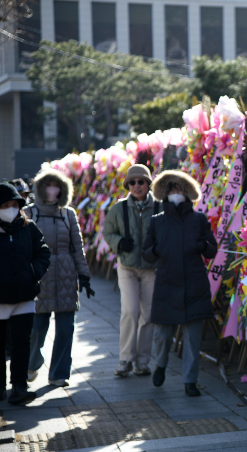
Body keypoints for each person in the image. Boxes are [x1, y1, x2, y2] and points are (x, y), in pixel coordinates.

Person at [142, 170, 217, 397]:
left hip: (194, 284)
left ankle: (190, 381)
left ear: (187, 193)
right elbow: (146, 253)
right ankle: (161, 365)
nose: (177, 193)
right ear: (165, 194)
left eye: (180, 190)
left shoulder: (199, 219)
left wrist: (202, 246)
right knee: (162, 336)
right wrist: (156, 249)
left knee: (192, 339)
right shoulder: (157, 221)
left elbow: (212, 249)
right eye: (173, 190)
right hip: (166, 284)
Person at [25, 169, 94, 387]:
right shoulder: (29, 213)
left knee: (66, 327)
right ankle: (32, 362)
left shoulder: (68, 214)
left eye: (56, 185)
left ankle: (59, 373)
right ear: (40, 188)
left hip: (65, 273)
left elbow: (77, 247)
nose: (51, 190)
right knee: (37, 327)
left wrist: (84, 274)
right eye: (47, 185)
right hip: (39, 274)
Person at [103, 164, 161, 377]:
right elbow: (107, 232)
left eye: (142, 181)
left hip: (151, 268)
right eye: (133, 182)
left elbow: (166, 233)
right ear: (128, 185)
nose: (137, 186)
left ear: (148, 184)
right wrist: (119, 242)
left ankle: (142, 362)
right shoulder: (118, 208)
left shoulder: (159, 207)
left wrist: (159, 248)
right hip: (127, 267)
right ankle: (125, 359)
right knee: (129, 311)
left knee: (148, 316)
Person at [0, 183, 50, 404]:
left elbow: (43, 252)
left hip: (25, 297)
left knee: (22, 344)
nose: (10, 209)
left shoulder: (28, 227)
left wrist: (34, 272)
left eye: (14, 204)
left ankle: (19, 386)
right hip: (1, 299)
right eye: (5, 205)